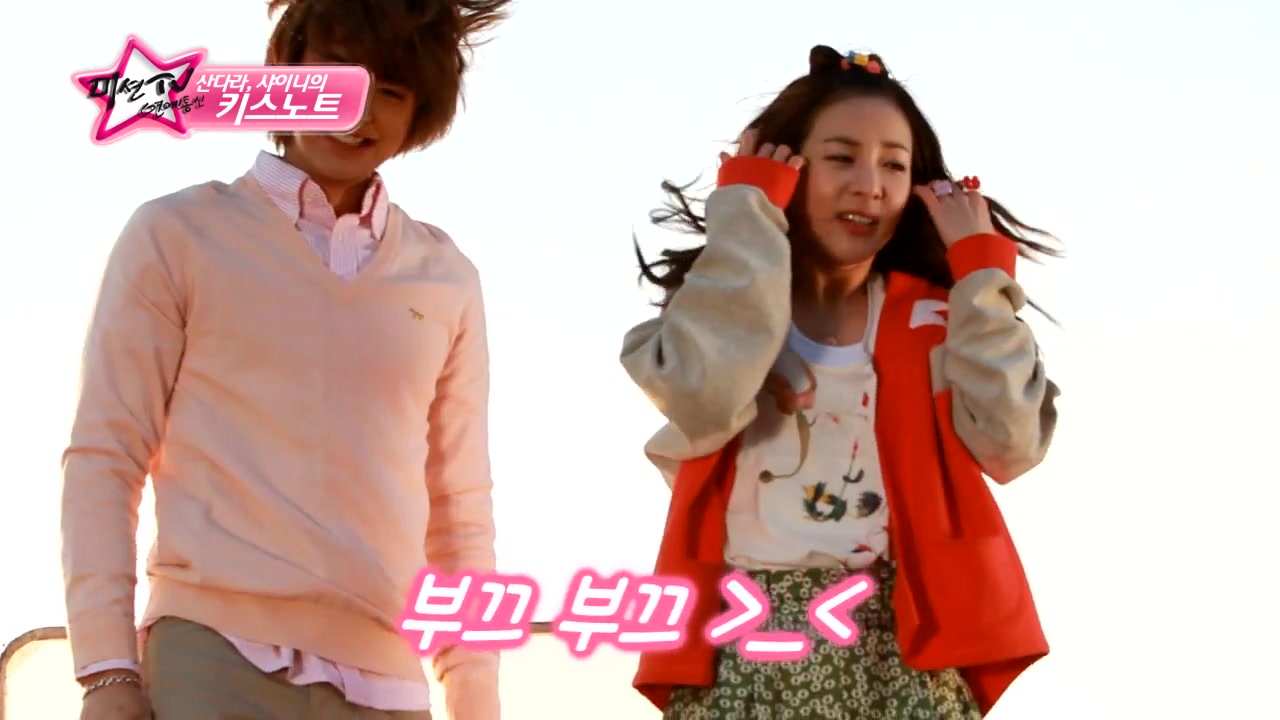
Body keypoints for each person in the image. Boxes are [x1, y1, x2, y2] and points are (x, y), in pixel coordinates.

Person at [61, 1, 510, 718]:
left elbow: (460, 510)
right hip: (210, 655)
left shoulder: (447, 277)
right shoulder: (178, 233)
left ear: (419, 112)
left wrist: (477, 701)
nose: (357, 110)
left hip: (391, 681)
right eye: (337, 77)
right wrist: (107, 671)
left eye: (391, 91)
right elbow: (105, 453)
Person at [621, 45, 1062, 719]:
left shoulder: (940, 319)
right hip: (741, 647)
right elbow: (701, 398)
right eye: (841, 157)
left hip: (903, 651)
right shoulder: (720, 305)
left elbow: (1012, 445)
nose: (870, 185)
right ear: (787, 169)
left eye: (894, 164)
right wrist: (745, 217)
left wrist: (980, 276)